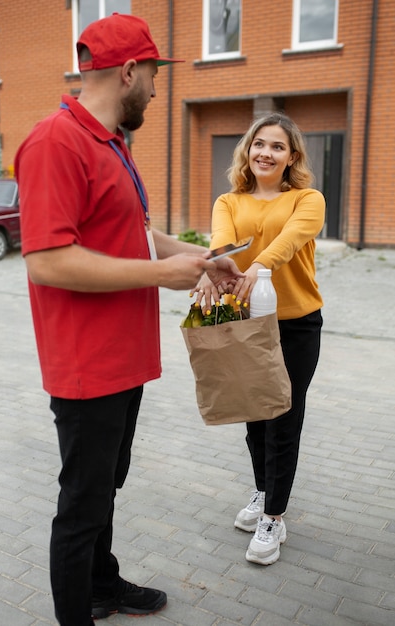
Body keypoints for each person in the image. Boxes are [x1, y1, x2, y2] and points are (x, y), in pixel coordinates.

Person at [14, 13, 243, 626]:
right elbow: (47, 261)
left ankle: (102, 584)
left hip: (125, 360)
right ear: (130, 70)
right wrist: (159, 276)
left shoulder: (111, 143)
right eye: (153, 76)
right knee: (82, 505)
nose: (155, 89)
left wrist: (196, 258)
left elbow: (135, 234)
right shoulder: (54, 142)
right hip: (88, 366)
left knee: (104, 489)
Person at [194, 112, 325, 566]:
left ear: (292, 157)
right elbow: (223, 242)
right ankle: (264, 489)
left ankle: (274, 514)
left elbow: (291, 239)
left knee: (284, 419)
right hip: (247, 321)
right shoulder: (229, 201)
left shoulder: (308, 199)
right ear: (247, 150)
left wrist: (260, 265)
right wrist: (213, 267)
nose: (266, 153)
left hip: (296, 323)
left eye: (277, 147)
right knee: (254, 416)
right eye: (259, 144)